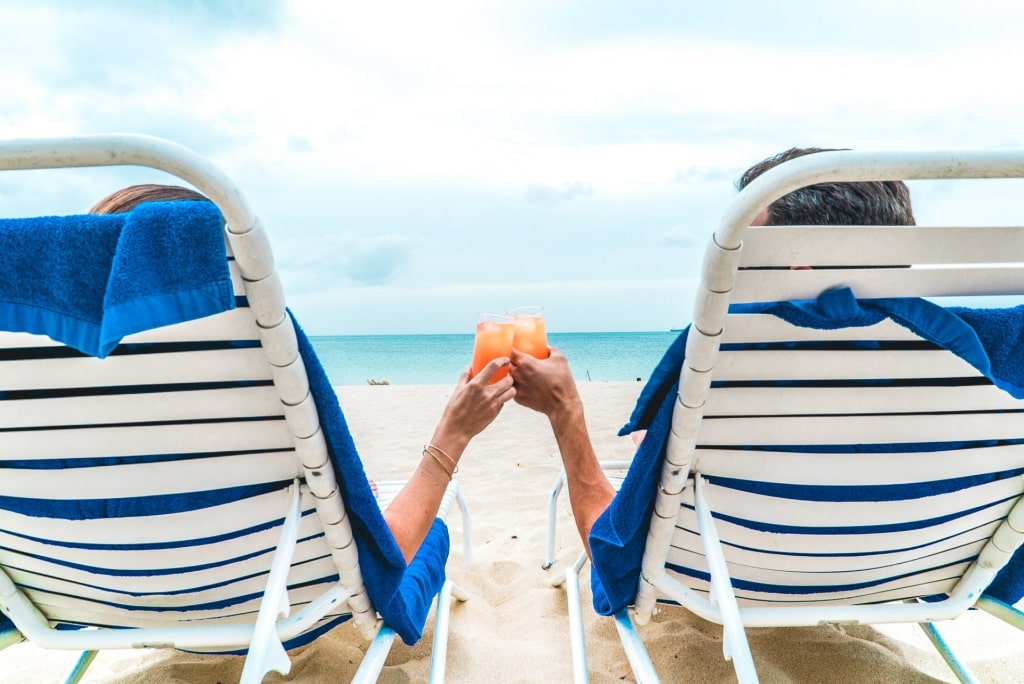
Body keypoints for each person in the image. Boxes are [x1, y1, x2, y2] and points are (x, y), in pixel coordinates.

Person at [508, 147, 917, 559]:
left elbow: (613, 553)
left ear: (799, 270)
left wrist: (565, 410)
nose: (735, 268)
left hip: (734, 573)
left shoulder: (722, 359)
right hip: (911, 563)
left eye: (745, 252)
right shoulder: (965, 358)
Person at [91, 183, 517, 564]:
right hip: (265, 594)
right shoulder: (258, 381)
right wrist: (454, 433)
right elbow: (390, 553)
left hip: (91, 594)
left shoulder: (55, 408)